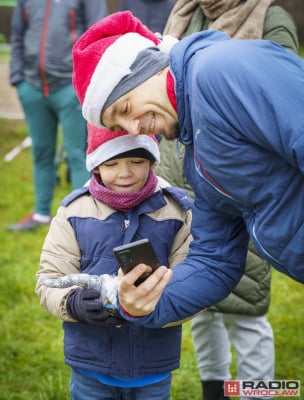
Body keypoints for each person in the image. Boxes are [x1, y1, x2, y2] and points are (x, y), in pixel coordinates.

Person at [71, 11, 304, 328]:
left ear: (150, 70)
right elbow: (215, 260)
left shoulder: (220, 71)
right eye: (119, 126)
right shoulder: (196, 154)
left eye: (125, 109)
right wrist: (140, 303)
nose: (135, 129)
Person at [156, 2, 299, 399]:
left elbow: (281, 96)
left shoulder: (270, 18)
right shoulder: (185, 13)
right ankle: (214, 390)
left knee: (246, 309)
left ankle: (259, 392)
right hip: (190, 185)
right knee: (201, 308)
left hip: (243, 186)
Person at [35, 125, 193, 400]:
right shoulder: (73, 212)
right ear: (96, 166)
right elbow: (48, 278)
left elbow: (192, 287)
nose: (125, 173)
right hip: (90, 366)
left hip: (153, 367)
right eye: (112, 163)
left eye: (137, 161)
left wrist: (148, 306)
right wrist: (72, 303)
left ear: (152, 161)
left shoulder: (177, 213)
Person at [7, 0, 108, 231]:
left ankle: (80, 220)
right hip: (32, 88)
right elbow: (17, 34)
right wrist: (18, 78)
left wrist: (83, 82)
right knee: (41, 152)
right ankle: (41, 214)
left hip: (69, 89)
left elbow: (98, 34)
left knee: (77, 154)